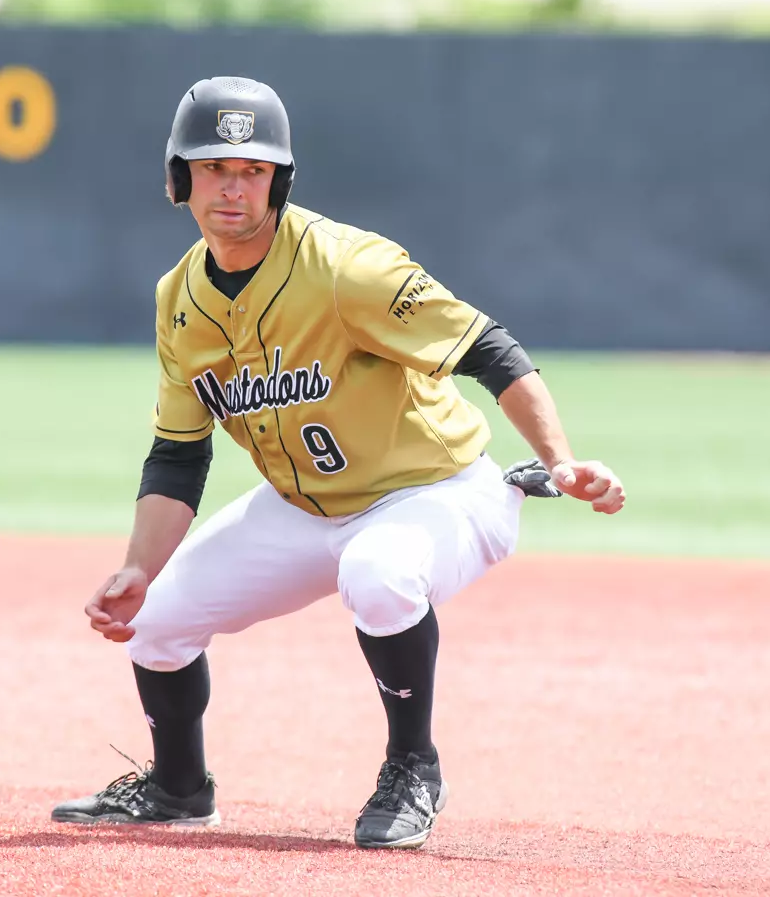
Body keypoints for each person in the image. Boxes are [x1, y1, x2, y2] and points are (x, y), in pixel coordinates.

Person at [51, 76, 626, 850]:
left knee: (379, 571)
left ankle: (412, 766)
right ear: (178, 177)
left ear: (279, 180)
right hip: (301, 506)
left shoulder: (346, 265)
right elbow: (179, 455)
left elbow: (490, 348)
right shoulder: (179, 296)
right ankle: (178, 789)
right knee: (154, 622)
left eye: (253, 170)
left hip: (435, 492)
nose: (233, 186)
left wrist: (556, 459)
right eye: (214, 166)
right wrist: (136, 566)